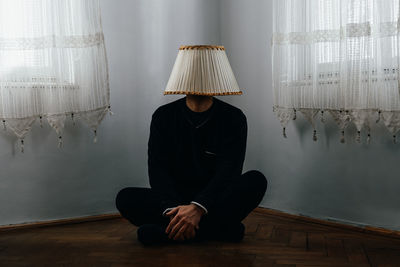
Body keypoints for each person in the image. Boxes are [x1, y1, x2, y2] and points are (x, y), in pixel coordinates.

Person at [115, 95, 268, 245]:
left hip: (214, 201)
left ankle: (166, 233)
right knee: (125, 198)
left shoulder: (234, 117)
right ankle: (215, 231)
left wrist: (198, 207)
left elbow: (229, 171)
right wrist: (174, 209)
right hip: (175, 199)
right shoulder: (163, 115)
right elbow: (157, 171)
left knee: (256, 180)